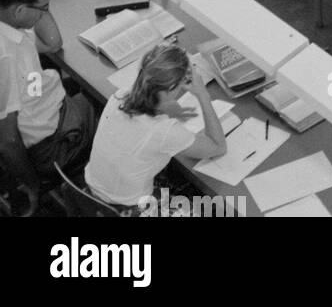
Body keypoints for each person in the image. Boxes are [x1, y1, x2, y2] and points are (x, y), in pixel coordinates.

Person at [84, 44, 227, 211]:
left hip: (91, 191)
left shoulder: (120, 96)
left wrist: (168, 107)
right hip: (127, 207)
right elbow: (218, 146)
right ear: (171, 88)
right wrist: (203, 94)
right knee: (213, 208)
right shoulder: (164, 131)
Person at [0, 0, 94, 213]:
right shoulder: (5, 56)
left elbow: (52, 43)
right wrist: (32, 184)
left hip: (44, 107)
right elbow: (7, 139)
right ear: (19, 10)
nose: (45, 13)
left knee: (88, 89)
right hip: (52, 145)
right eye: (43, 7)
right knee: (114, 106)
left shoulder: (10, 24)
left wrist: (37, 3)